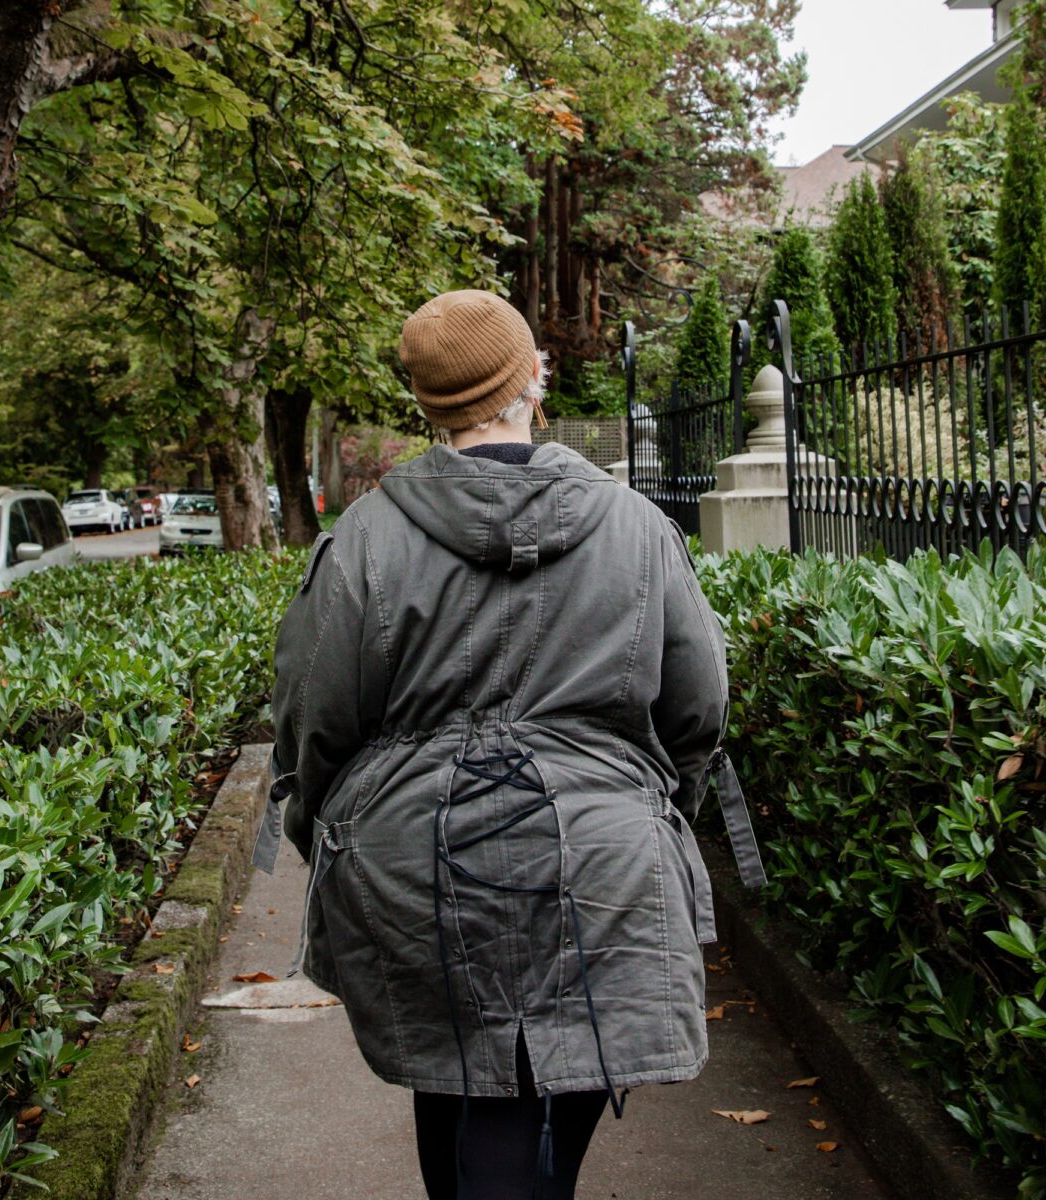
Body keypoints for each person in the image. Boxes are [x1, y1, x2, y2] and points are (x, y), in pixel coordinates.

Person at [254, 289, 766, 1200]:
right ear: (536, 375)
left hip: (413, 869)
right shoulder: (638, 527)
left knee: (457, 1101)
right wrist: (640, 817)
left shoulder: (364, 538)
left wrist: (347, 841)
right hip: (605, 864)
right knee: (551, 1111)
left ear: (427, 405)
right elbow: (699, 711)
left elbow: (313, 727)